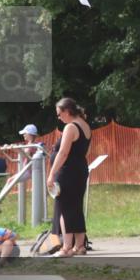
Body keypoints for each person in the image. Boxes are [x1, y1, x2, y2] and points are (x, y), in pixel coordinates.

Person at [47, 98, 91, 257]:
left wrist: (51, 173)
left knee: (64, 209)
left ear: (67, 111)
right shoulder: (85, 126)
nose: (59, 117)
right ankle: (79, 247)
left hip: (67, 172)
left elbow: (63, 153)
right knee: (76, 208)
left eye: (59, 114)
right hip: (80, 170)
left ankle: (66, 248)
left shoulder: (71, 127)